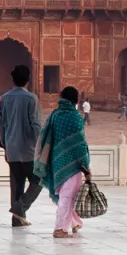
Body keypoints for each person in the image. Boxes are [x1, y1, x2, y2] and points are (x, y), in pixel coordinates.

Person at [38, 86, 92, 239]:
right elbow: (80, 144)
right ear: (75, 100)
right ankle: (60, 229)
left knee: (67, 195)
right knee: (67, 197)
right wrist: (86, 165)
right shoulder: (75, 117)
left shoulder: (54, 115)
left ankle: (74, 222)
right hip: (73, 165)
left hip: (56, 161)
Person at [0, 64, 44, 228]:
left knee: (17, 184)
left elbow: (1, 124)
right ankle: (20, 208)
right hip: (29, 149)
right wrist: (41, 146)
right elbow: (36, 125)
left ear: (13, 79)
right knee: (39, 180)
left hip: (12, 147)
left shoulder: (5, 98)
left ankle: (17, 219)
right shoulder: (31, 98)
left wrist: (5, 144)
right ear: (28, 80)